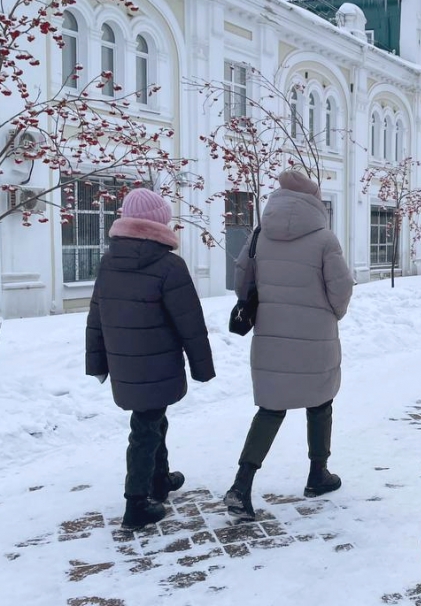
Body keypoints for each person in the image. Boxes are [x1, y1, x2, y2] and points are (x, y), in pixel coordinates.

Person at [224, 169, 354, 521]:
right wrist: (331, 313)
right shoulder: (325, 239)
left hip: (270, 336)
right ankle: (317, 474)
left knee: (270, 408)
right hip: (316, 338)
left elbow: (241, 283)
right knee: (320, 401)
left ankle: (242, 483)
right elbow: (340, 289)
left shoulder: (259, 234)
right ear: (314, 200)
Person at [85, 187, 215, 530]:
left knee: (152, 420)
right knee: (144, 428)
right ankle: (136, 504)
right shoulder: (170, 265)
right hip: (158, 364)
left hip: (125, 364)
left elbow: (96, 315)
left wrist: (97, 362)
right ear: (159, 222)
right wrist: (202, 366)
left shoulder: (109, 261)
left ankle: (160, 480)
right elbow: (190, 322)